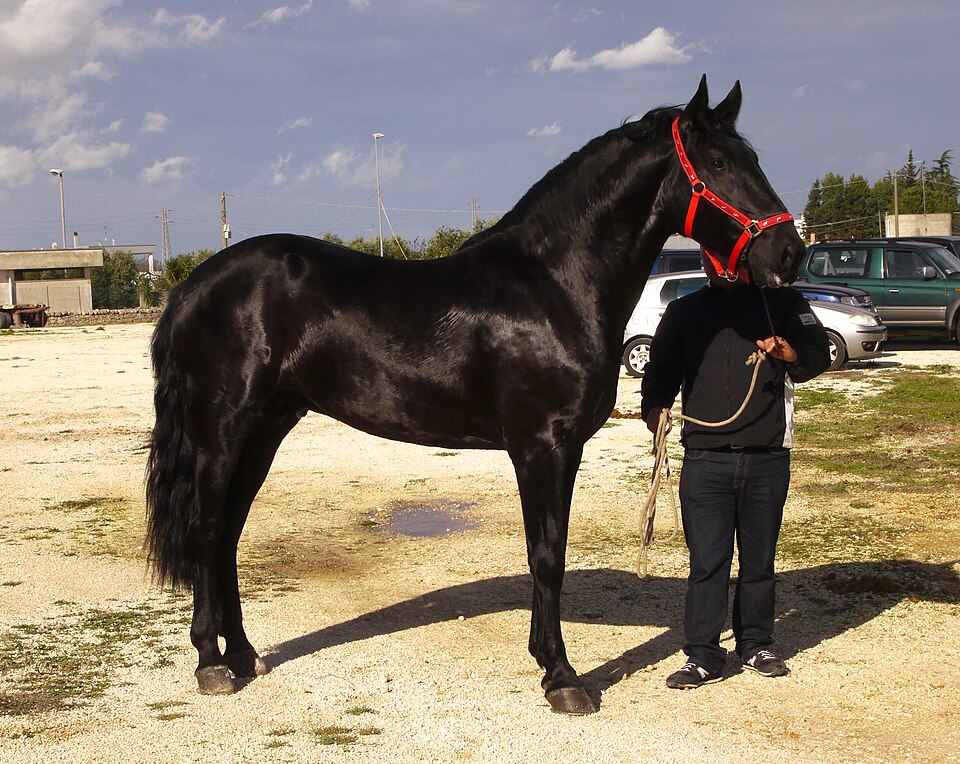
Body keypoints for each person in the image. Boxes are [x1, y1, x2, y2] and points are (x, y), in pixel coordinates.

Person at [640, 248, 830, 689]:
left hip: (767, 455)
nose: (721, 264)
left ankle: (756, 644)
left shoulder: (781, 304)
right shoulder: (684, 311)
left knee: (760, 560)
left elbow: (819, 352)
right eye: (713, 258)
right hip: (705, 458)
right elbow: (660, 371)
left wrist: (789, 353)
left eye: (729, 258)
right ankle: (703, 654)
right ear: (705, 262)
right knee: (707, 562)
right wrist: (655, 408)